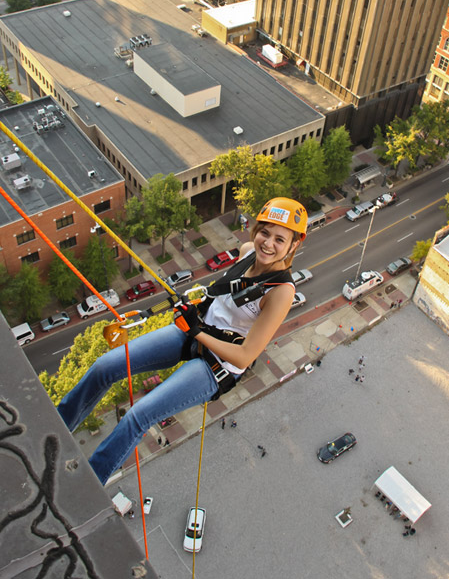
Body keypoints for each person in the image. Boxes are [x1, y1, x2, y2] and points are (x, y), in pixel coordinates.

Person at [57, 197, 307, 485]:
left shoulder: (281, 292)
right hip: (195, 329)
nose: (268, 243)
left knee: (138, 416)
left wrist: (197, 331)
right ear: (255, 231)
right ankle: (58, 426)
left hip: (218, 365)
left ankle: (87, 485)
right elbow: (223, 301)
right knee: (105, 366)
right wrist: (195, 317)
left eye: (280, 239)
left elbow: (244, 357)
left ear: (293, 244)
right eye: (265, 232)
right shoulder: (248, 252)